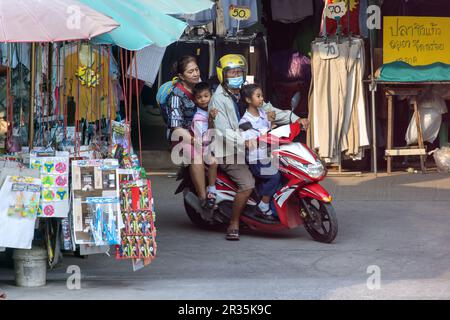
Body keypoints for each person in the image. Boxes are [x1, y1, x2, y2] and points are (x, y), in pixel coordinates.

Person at [209, 54, 309, 241]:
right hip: (231, 152)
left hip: (257, 149)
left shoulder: (248, 92)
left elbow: (271, 111)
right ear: (222, 75)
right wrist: (244, 142)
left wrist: (297, 119)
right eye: (231, 73)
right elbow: (223, 131)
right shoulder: (219, 100)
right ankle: (234, 223)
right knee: (247, 185)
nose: (236, 75)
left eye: (239, 72)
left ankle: (270, 207)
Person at [166, 56, 209, 206]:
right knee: (197, 157)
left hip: (202, 131)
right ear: (181, 76)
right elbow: (176, 127)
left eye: (196, 69)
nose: (195, 74)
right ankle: (204, 199)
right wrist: (193, 139)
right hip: (183, 137)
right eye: (190, 72)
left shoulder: (200, 87)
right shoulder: (176, 95)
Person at [239, 84, 280, 221]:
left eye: (262, 95)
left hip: (267, 156)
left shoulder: (263, 114)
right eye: (258, 96)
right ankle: (263, 204)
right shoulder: (245, 121)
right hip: (255, 160)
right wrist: (257, 140)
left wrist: (272, 122)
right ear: (248, 100)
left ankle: (275, 209)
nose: (262, 99)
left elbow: (270, 131)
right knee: (275, 177)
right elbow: (246, 143)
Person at [191, 82, 218, 209]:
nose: (203, 99)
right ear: (195, 100)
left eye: (206, 96)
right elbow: (202, 138)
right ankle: (211, 190)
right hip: (204, 147)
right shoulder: (198, 118)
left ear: (211, 95)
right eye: (199, 97)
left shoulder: (213, 110)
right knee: (213, 162)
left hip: (213, 143)